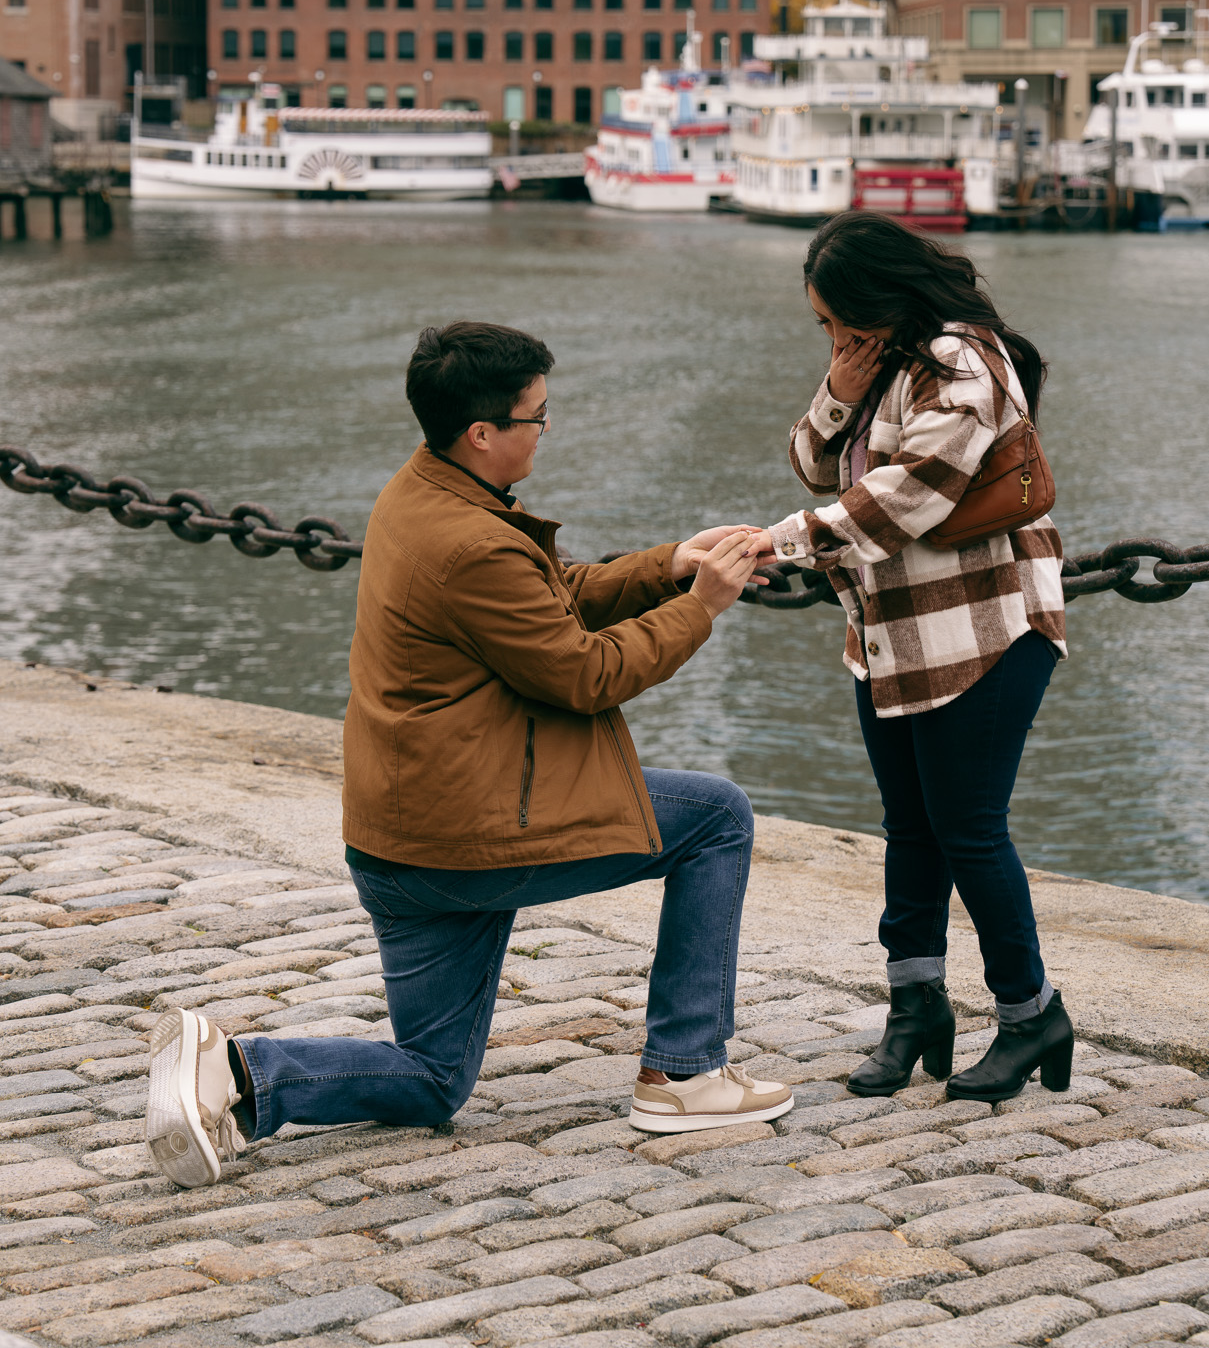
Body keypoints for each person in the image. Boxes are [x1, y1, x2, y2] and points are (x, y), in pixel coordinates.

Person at [147, 320, 791, 1189]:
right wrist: (700, 605)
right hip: (468, 837)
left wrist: (668, 566)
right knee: (716, 817)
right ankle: (684, 1073)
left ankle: (236, 1072)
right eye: (537, 415)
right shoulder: (473, 541)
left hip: (400, 839)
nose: (546, 428)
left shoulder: (419, 492)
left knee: (433, 1080)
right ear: (482, 432)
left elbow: (543, 598)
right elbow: (584, 673)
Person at [750, 212, 1070, 1104]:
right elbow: (812, 462)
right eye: (822, 326)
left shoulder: (963, 363)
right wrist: (836, 388)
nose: (832, 338)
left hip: (982, 630)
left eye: (837, 322)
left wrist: (774, 543)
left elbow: (903, 499)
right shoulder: (880, 362)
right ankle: (915, 1007)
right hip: (890, 637)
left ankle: (1029, 1014)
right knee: (911, 828)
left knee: (969, 828)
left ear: (880, 298)